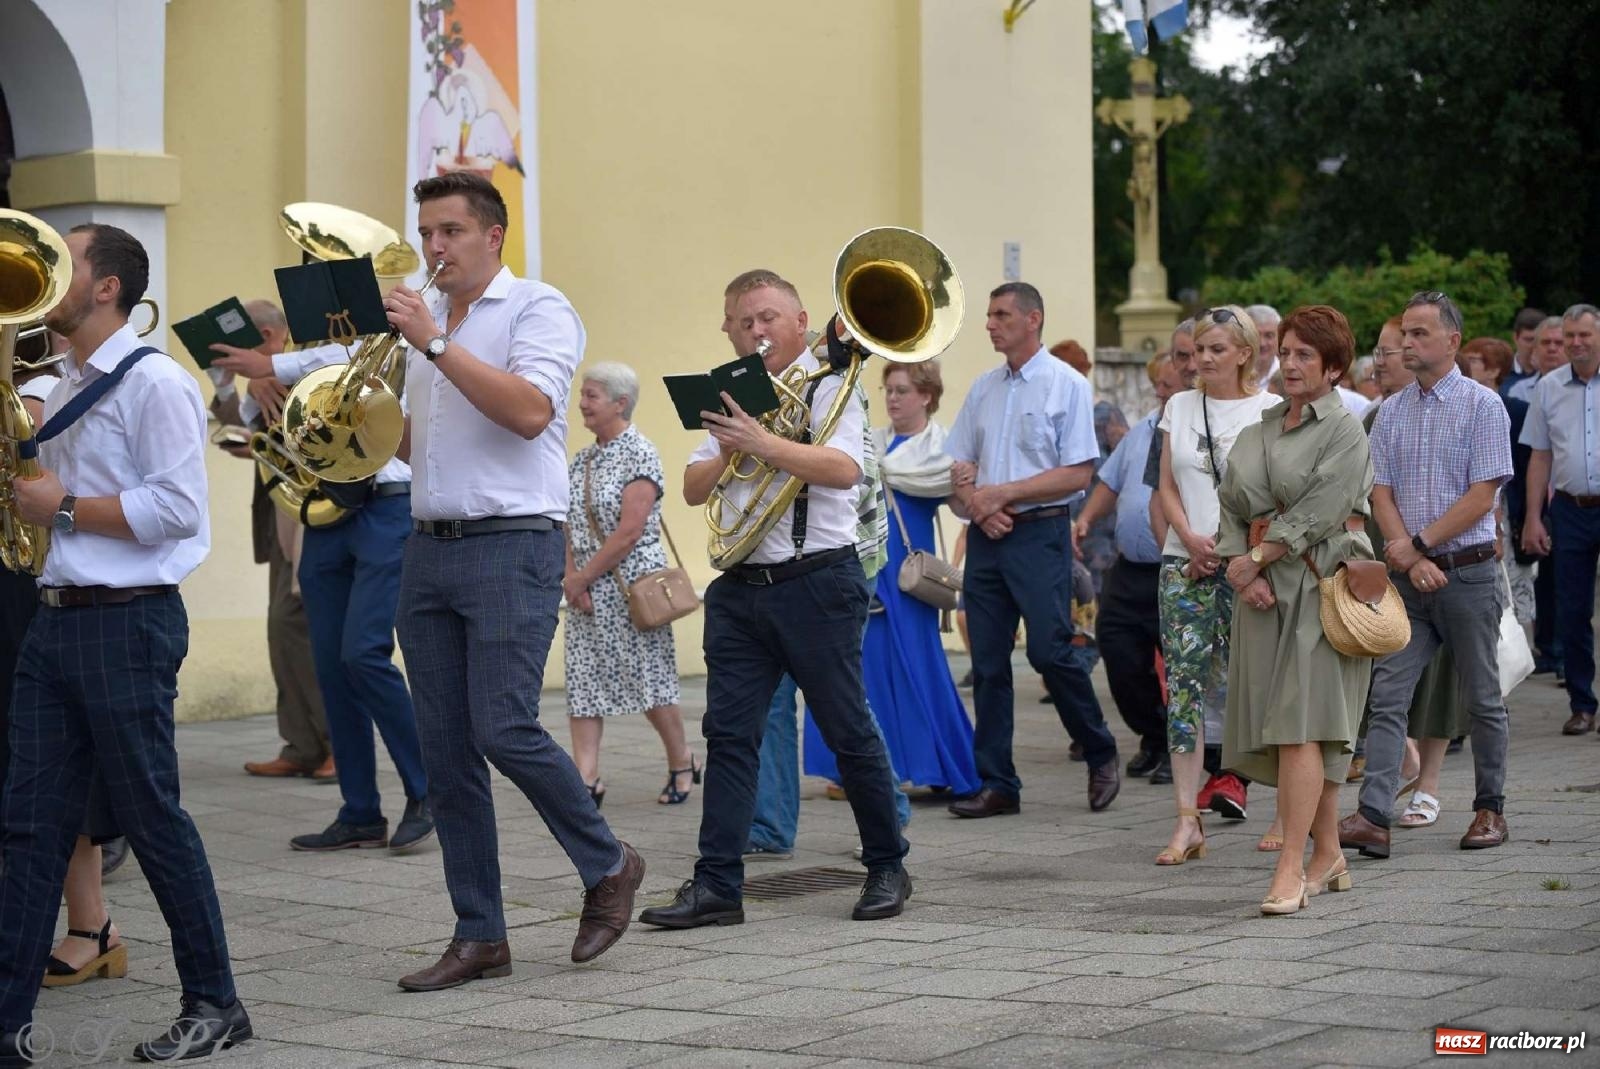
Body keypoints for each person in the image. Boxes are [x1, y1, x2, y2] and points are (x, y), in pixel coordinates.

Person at [0, 223, 251, 1063]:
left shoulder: (156, 383)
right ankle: (6, 1021)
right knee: (30, 823)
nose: (46, 276)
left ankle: (215, 1000)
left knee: (150, 816)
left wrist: (64, 508)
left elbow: (178, 510)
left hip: (127, 620)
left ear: (107, 286)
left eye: (64, 263)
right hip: (56, 618)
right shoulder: (61, 378)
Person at [384, 172, 642, 986]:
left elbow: (531, 411)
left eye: (451, 231)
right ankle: (480, 934)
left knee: (502, 724)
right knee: (445, 749)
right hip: (429, 544)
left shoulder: (537, 308)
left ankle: (608, 862)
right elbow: (419, 444)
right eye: (427, 232)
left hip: (512, 542)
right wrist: (349, 417)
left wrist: (433, 343)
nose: (434, 247)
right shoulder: (430, 327)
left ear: (493, 235)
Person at [642, 272, 911, 927]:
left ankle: (887, 865)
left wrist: (762, 443)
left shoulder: (831, 384)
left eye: (767, 317)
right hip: (741, 588)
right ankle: (717, 885)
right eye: (743, 322)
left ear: (800, 321)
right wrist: (730, 444)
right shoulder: (734, 393)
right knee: (730, 737)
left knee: (846, 729)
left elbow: (844, 469)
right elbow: (693, 488)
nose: (755, 331)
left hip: (817, 581)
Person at [219, 307, 435, 856]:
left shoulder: (399, 347)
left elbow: (349, 362)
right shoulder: (312, 358)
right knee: (330, 665)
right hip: (329, 507)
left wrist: (272, 364)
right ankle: (359, 812)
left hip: (387, 504)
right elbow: (257, 423)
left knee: (363, 653)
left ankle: (429, 788)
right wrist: (255, 380)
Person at [1341, 291, 1514, 859]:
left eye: (1420, 334)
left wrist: (1418, 547)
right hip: (1410, 582)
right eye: (1406, 334)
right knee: (1388, 694)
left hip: (1467, 574)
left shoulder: (1483, 405)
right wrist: (1411, 559)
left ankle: (1490, 809)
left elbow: (1483, 495)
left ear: (1452, 341)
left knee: (1483, 697)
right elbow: (1380, 491)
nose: (1408, 343)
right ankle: (1373, 816)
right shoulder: (1392, 410)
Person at [1216, 306, 1374, 913]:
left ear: (1334, 368)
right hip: (1261, 590)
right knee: (1286, 730)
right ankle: (1328, 853)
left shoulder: (1344, 430)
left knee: (1301, 725)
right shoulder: (1259, 428)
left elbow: (1322, 509)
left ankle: (1290, 867)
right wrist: (1243, 566)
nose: (1290, 363)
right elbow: (1231, 503)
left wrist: (1257, 556)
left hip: (1319, 585)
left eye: (1305, 354)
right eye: (1285, 352)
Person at [945, 282, 1122, 818]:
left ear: (1033, 319)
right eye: (989, 315)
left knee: (1049, 652)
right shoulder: (983, 388)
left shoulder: (1065, 384)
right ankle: (998, 782)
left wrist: (1002, 494)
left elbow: (1078, 474)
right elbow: (958, 470)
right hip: (988, 535)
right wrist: (979, 505)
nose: (990, 324)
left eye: (1001, 314)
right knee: (988, 663)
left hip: (1040, 534)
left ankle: (1099, 749)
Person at [805, 360, 979, 799]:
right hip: (863, 564)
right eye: (889, 390)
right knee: (865, 669)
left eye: (902, 390)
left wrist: (967, 480)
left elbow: (964, 508)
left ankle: (941, 766)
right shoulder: (871, 442)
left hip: (908, 575)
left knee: (917, 664)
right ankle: (867, 771)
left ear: (926, 396)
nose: (893, 398)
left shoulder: (942, 450)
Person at [1153, 306, 1279, 866]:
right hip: (1184, 564)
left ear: (1245, 353)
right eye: (1199, 348)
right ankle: (1187, 819)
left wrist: (1238, 553)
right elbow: (1166, 485)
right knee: (1183, 690)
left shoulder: (1270, 409)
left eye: (1216, 349)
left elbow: (1277, 495)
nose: (1202, 358)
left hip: (1248, 566)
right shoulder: (1179, 406)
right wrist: (1188, 537)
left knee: (1262, 686)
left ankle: (1286, 809)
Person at [208, 301, 333, 782]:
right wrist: (226, 387)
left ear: (263, 336)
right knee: (282, 632)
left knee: (302, 628)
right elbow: (241, 430)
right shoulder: (265, 380)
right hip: (283, 513)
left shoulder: (305, 365)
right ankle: (301, 745)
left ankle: (336, 744)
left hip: (315, 515)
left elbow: (316, 436)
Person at [563, 361, 698, 804]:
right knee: (583, 684)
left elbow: (630, 531)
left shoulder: (640, 452)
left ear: (620, 403)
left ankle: (682, 761)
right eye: (583, 394)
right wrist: (572, 580)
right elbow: (568, 525)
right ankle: (586, 779)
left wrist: (583, 577)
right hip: (585, 591)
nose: (582, 403)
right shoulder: (583, 459)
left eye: (592, 395)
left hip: (632, 589)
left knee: (650, 684)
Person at [1076, 354, 1183, 784]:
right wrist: (1086, 518)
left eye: (1168, 386)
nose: (1159, 392)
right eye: (1158, 385)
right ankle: (1154, 734)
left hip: (1173, 567)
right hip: (1129, 569)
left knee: (1181, 665)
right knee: (1118, 650)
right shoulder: (1141, 430)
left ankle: (1183, 749)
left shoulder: (1192, 431)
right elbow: (1111, 481)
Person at [1521, 304, 1600, 736]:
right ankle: (1582, 704)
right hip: (1569, 509)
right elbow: (1540, 456)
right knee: (1572, 609)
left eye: (1584, 335)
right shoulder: (1549, 388)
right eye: (1570, 336)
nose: (1575, 343)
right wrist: (1534, 518)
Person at [1500, 306, 1547, 398]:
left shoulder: (1554, 373)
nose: (1533, 346)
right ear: (1515, 338)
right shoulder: (1501, 370)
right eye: (1528, 340)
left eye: (1539, 340)